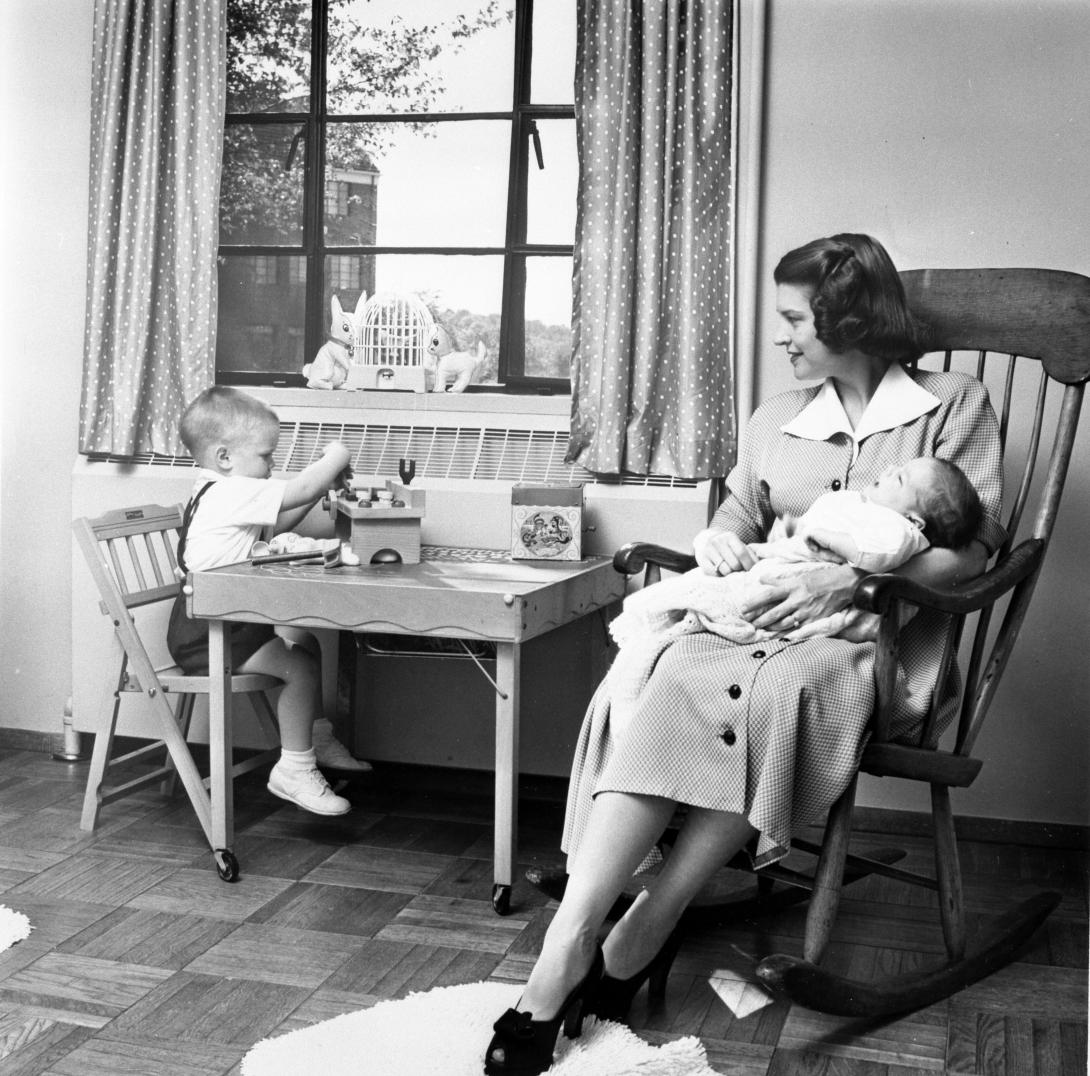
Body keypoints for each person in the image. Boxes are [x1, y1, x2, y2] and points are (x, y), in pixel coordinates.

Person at [483, 234, 1006, 1074]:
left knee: (779, 691)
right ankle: (576, 939)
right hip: (756, 614)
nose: (784, 337)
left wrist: (856, 584)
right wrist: (722, 547)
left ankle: (652, 917)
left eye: (797, 319)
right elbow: (735, 516)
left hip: (867, 647)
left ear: (852, 318)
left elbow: (976, 553)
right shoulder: (777, 418)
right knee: (672, 673)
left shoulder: (953, 405)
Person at [167, 386, 369, 818]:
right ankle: (294, 767)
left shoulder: (220, 488)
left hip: (223, 619)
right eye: (265, 455)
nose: (272, 465)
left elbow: (275, 522)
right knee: (301, 668)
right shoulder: (228, 492)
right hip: (208, 630)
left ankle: (313, 738)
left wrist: (316, 492)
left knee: (306, 643)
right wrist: (339, 451)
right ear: (225, 457)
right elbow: (304, 483)